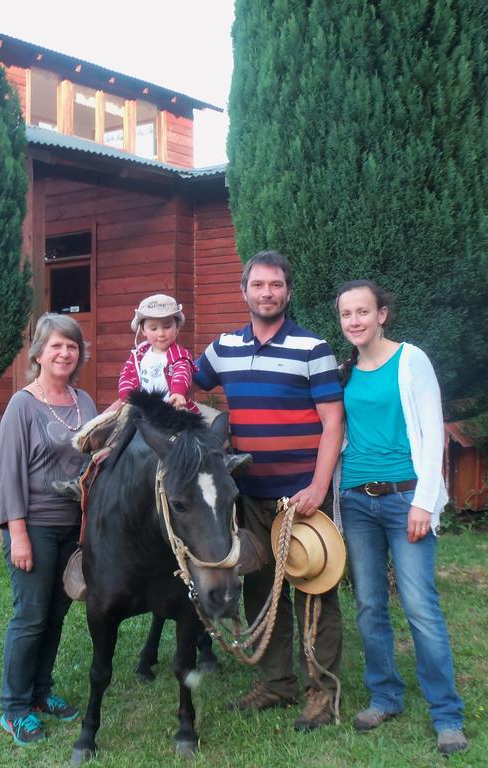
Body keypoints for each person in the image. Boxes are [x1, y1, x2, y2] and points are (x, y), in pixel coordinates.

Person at [194, 250, 345, 732]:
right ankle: (276, 684)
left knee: (314, 592)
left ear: (288, 292)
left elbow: (333, 422)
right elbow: (191, 385)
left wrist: (319, 487)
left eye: (275, 285)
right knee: (261, 590)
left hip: (301, 497)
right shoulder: (223, 348)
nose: (267, 293)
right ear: (244, 292)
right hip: (248, 496)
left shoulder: (312, 347)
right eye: (258, 285)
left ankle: (321, 691)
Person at [334, 280, 468, 755]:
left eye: (363, 311)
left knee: (419, 607)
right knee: (370, 606)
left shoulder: (411, 361)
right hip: (356, 501)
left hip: (404, 499)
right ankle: (385, 696)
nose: (355, 321)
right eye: (347, 313)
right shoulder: (345, 372)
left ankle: (446, 714)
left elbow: (434, 435)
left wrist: (424, 502)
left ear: (382, 314)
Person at [0, 313, 98, 746]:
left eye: (71, 346)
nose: (65, 353)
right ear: (38, 352)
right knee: (31, 616)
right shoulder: (23, 404)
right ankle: (14, 707)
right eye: (56, 345)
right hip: (33, 526)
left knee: (56, 614)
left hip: (73, 529)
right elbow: (10, 475)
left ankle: (41, 693)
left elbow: (93, 457)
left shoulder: (85, 402)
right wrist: (17, 534)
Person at [117, 293, 199, 413]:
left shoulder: (179, 356)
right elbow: (127, 376)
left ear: (177, 328)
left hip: (171, 409)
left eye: (167, 326)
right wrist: (128, 396)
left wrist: (177, 392)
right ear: (143, 331)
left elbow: (182, 372)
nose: (161, 333)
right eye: (153, 328)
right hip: (144, 410)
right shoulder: (138, 355)